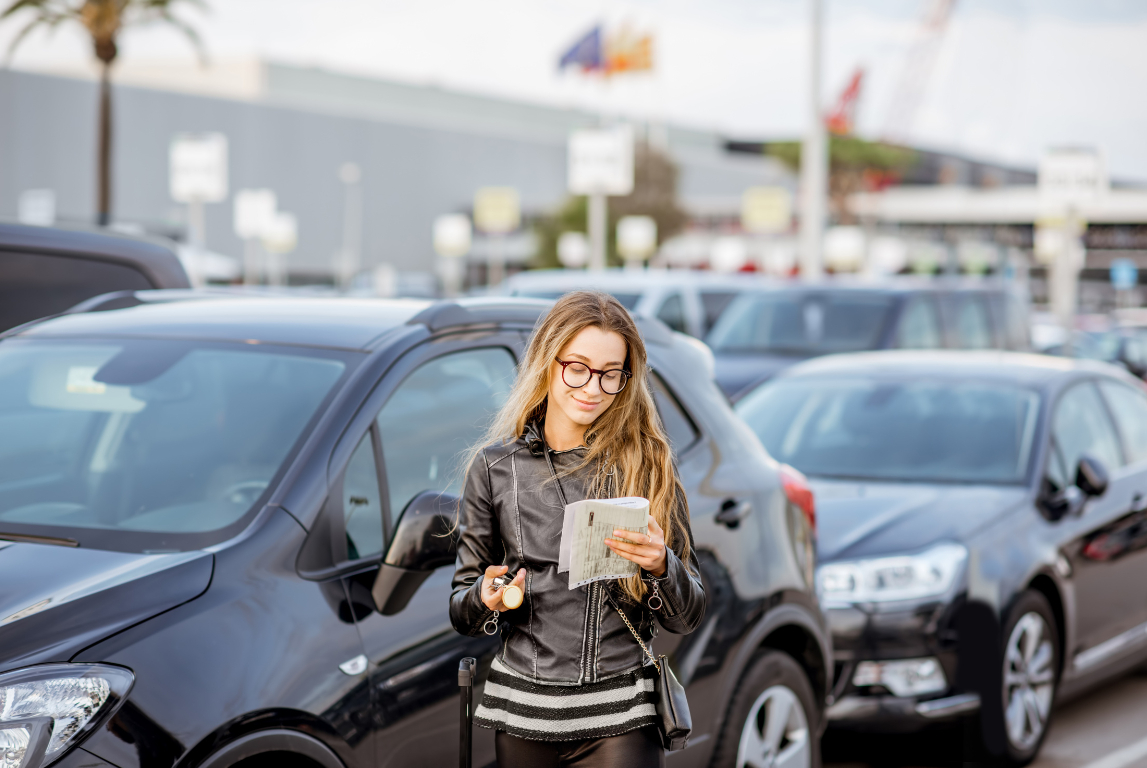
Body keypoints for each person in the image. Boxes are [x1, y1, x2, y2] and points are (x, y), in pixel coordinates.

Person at [450, 290, 707, 768]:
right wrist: (486, 596)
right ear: (548, 362)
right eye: (579, 368)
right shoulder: (495, 469)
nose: (593, 388)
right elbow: (462, 610)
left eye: (611, 374)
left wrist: (660, 565)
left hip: (622, 716)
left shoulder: (648, 464)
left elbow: (687, 616)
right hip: (525, 715)